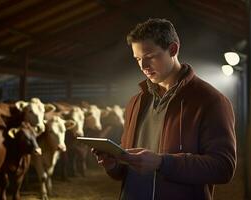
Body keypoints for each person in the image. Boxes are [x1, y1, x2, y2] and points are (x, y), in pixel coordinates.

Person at [94, 18, 236, 200]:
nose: (143, 67)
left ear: (173, 49)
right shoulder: (136, 102)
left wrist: (162, 163)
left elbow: (223, 168)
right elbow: (125, 170)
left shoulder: (210, 101)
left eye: (150, 57)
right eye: (138, 59)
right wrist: (113, 164)